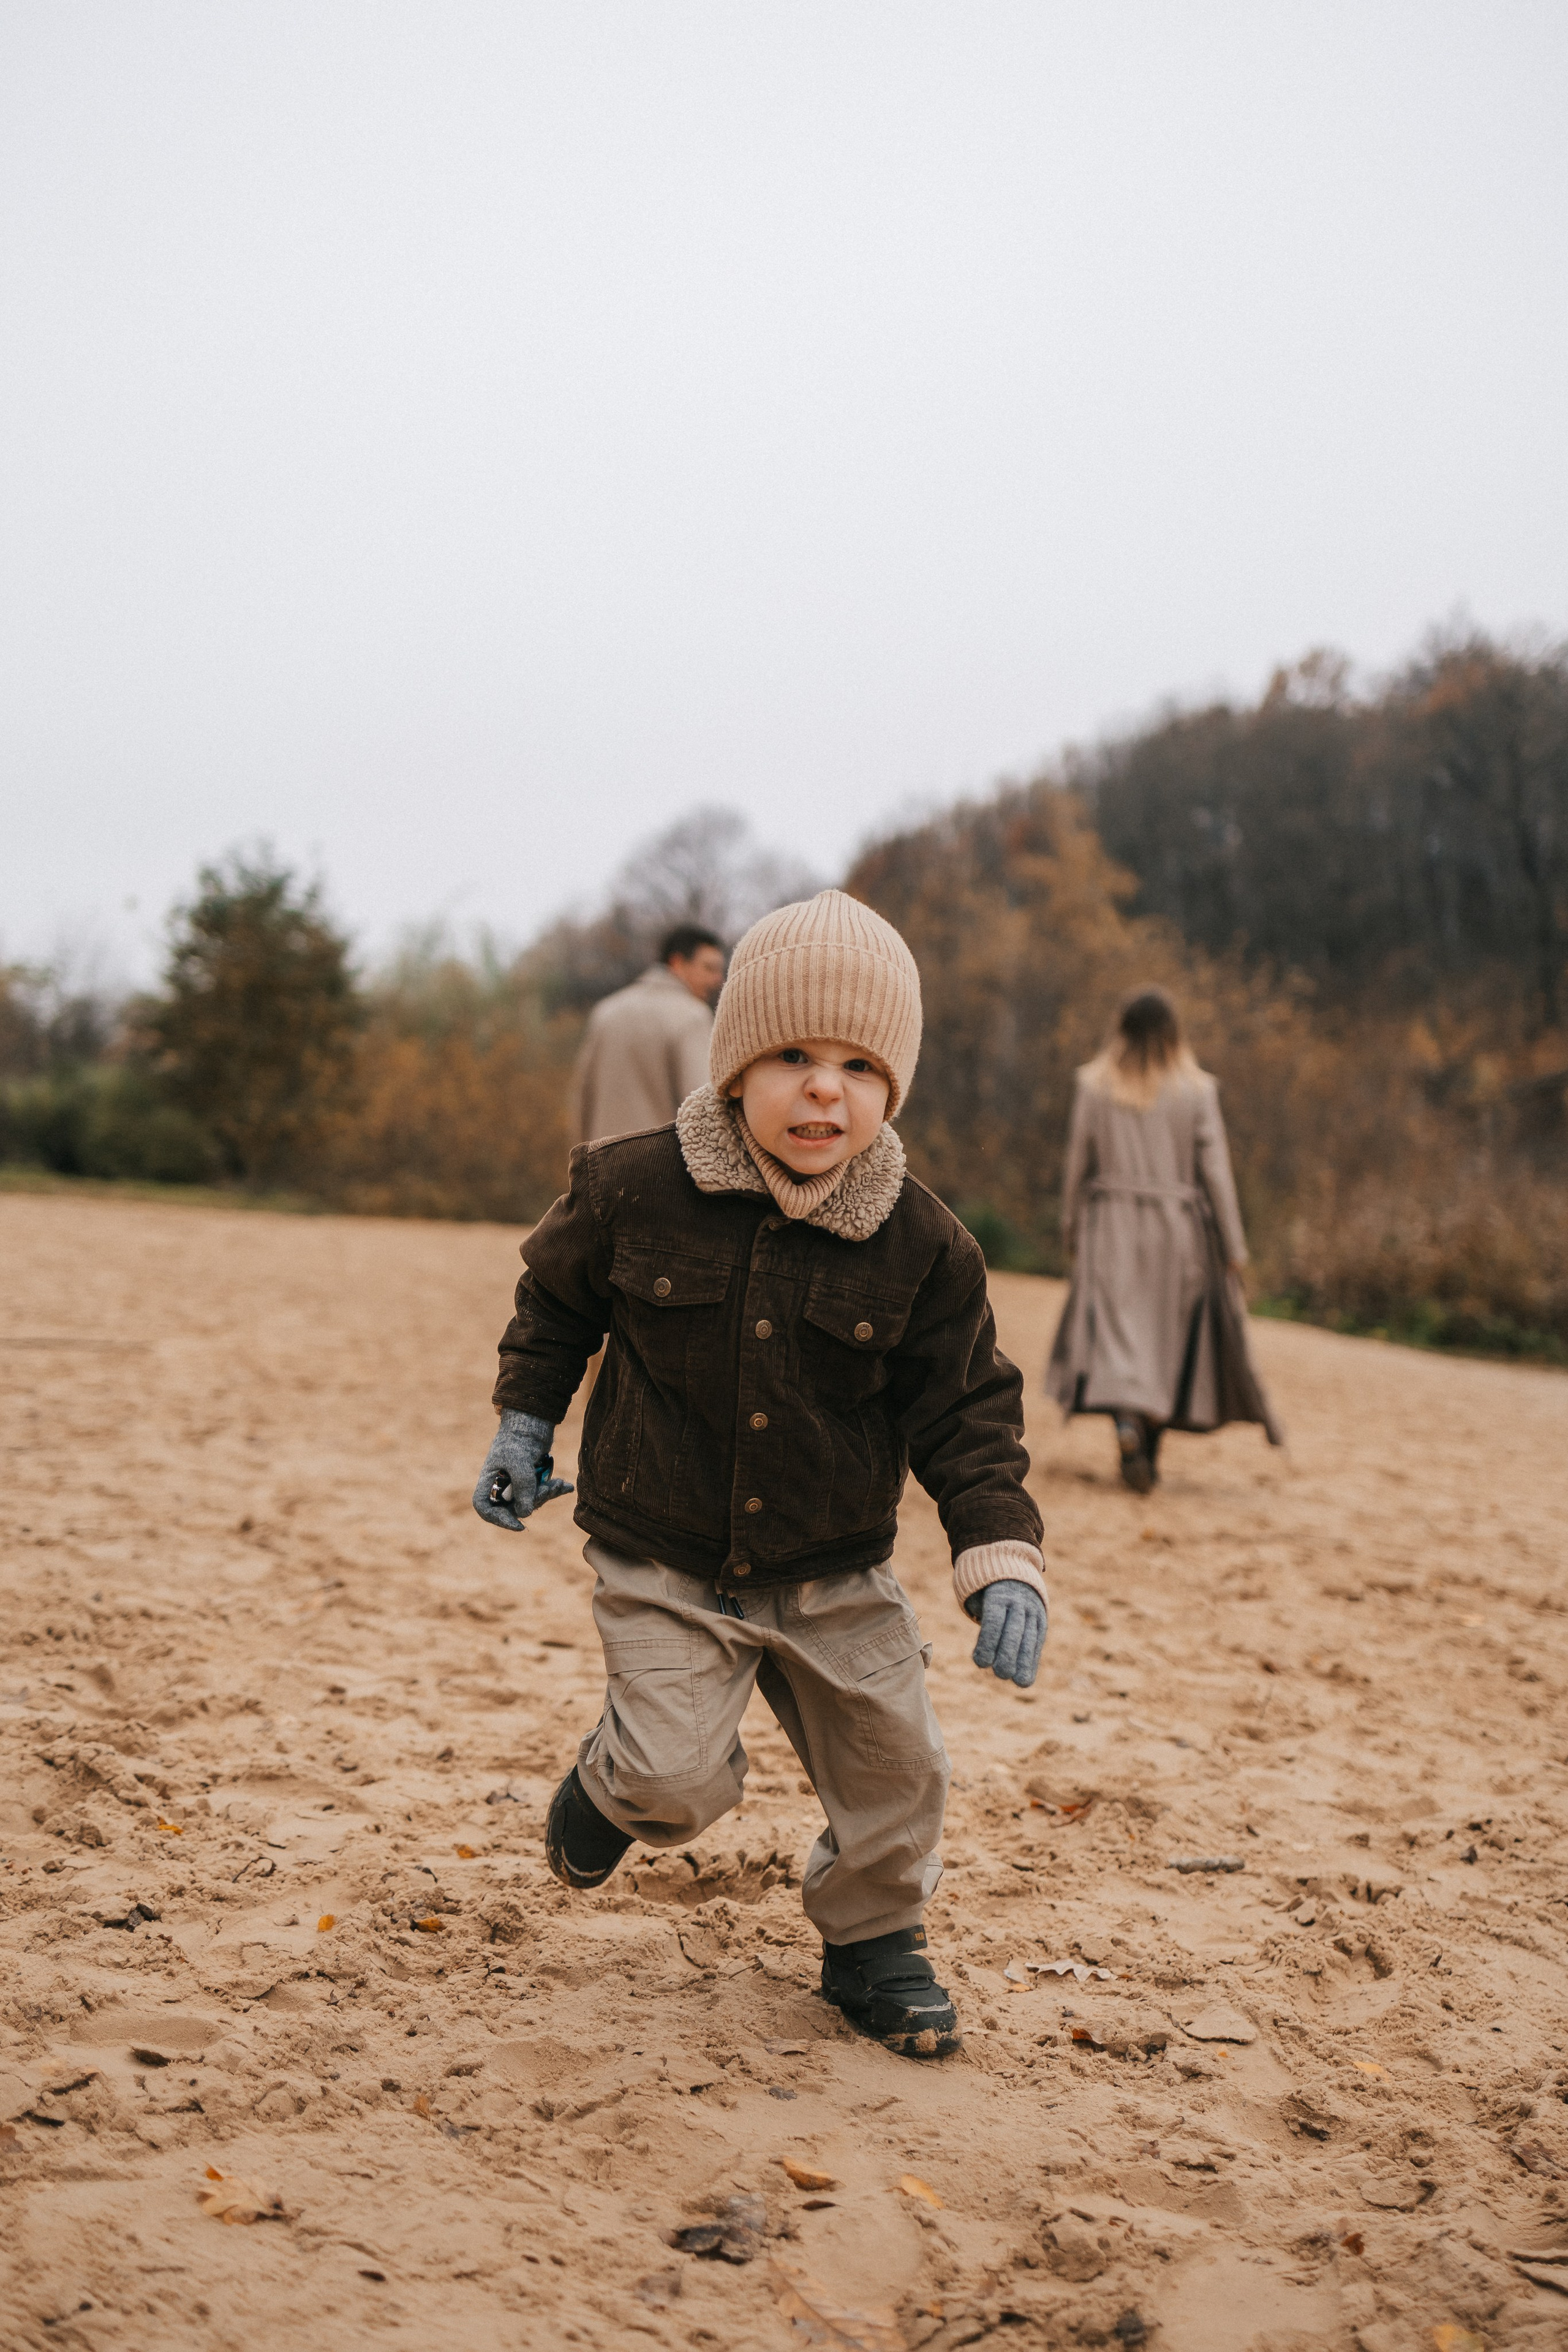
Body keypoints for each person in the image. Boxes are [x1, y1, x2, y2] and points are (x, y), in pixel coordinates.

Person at [470, 889, 1048, 2060]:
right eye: (791, 1055)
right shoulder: (634, 1186)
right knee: (674, 1784)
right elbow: (554, 1299)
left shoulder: (928, 1248)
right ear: (735, 1065)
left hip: (835, 1570)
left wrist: (1001, 1556)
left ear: (894, 1088)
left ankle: (874, 1945)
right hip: (665, 1553)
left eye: (857, 1064)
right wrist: (525, 1426)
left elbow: (969, 1410)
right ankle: (613, 1788)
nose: (823, 1087)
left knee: (902, 1772)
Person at [1046, 986, 1283, 1492]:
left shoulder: (1094, 1086)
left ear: (1121, 1030)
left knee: (1118, 1338)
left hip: (1109, 1225)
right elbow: (1216, 1173)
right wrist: (1234, 1248)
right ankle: (1147, 1452)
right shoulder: (1196, 1092)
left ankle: (1126, 1425)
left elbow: (1076, 1166)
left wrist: (1070, 1228)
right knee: (1162, 1346)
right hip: (1178, 1233)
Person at [571, 923, 727, 1144]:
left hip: (603, 1170)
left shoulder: (606, 1012)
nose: (718, 981)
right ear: (678, 963)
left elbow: (582, 1102)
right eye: (709, 969)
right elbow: (704, 1111)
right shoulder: (692, 1015)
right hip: (660, 1172)